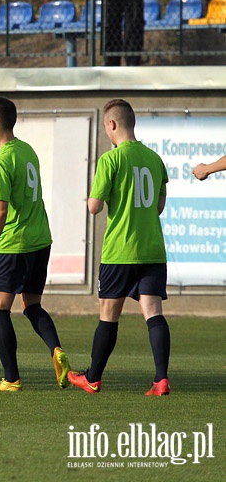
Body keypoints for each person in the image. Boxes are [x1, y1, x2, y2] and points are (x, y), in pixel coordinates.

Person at [0, 97, 70, 392]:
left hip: (13, 245)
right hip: (40, 241)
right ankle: (57, 351)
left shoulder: (1, 159)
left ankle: (11, 378)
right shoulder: (26, 151)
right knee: (32, 305)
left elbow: (0, 208)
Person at [68, 99, 171, 396]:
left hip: (120, 251)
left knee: (108, 315)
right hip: (152, 248)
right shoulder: (154, 159)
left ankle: (93, 377)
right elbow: (159, 205)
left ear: (111, 124)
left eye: (105, 128)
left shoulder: (110, 160)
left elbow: (94, 207)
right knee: (153, 313)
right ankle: (160, 379)